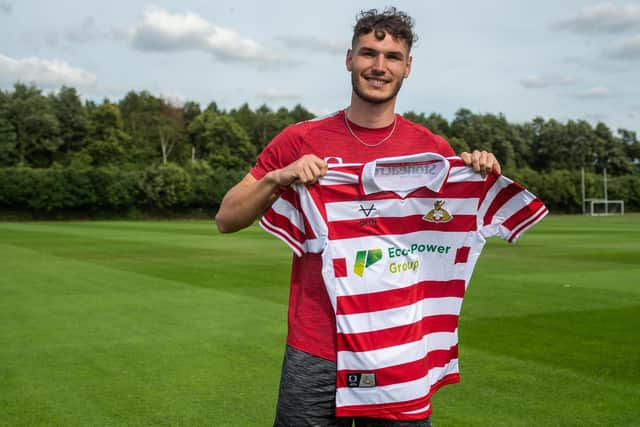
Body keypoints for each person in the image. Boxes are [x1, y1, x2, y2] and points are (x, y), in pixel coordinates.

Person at [216, 7, 501, 427]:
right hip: (316, 348)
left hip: (398, 348)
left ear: (408, 67)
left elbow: (453, 227)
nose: (379, 66)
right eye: (368, 53)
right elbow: (226, 218)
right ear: (349, 59)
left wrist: (478, 173)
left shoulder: (433, 151)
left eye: (392, 57)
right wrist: (278, 177)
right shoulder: (300, 139)